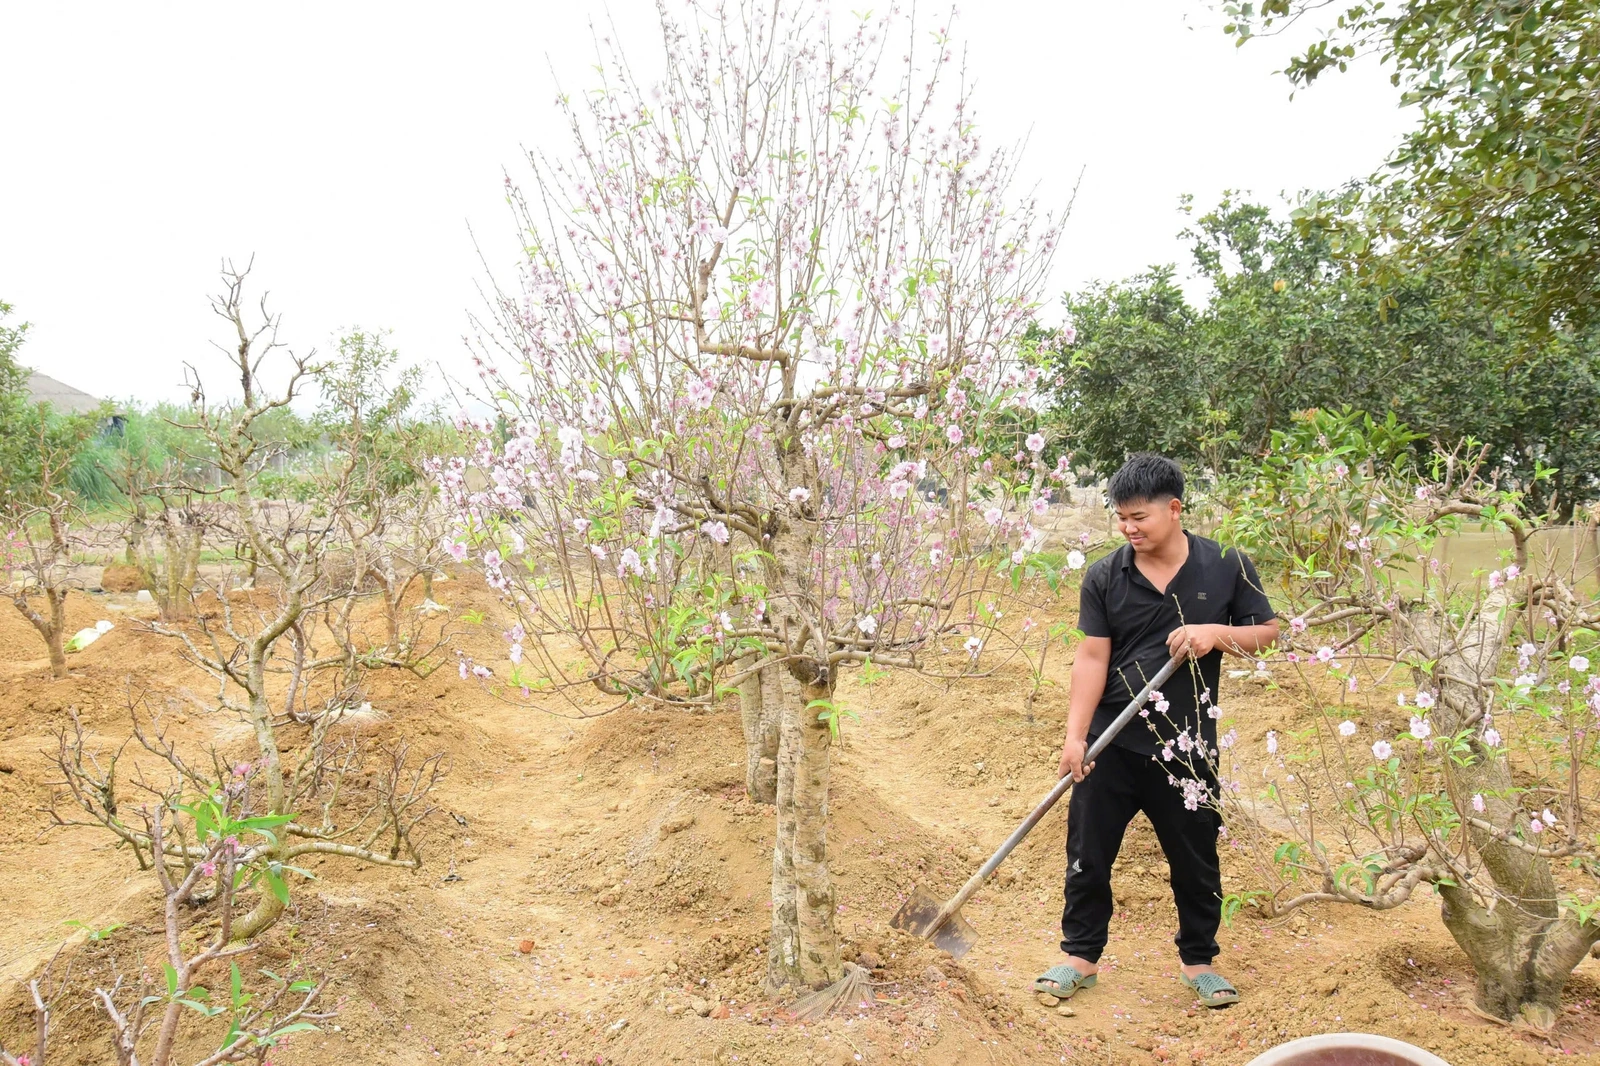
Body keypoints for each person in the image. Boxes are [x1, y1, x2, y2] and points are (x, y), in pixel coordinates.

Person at [1034, 454, 1279, 1010]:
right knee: (1088, 853)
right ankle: (1080, 956)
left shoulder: (1225, 565)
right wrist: (1075, 736)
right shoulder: (1105, 574)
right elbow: (1092, 658)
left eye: (1139, 516)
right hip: (1111, 741)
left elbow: (1267, 632)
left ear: (1175, 509)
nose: (1129, 527)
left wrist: (1215, 633)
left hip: (1186, 746)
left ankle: (1200, 962)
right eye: (1121, 517)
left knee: (1194, 858)